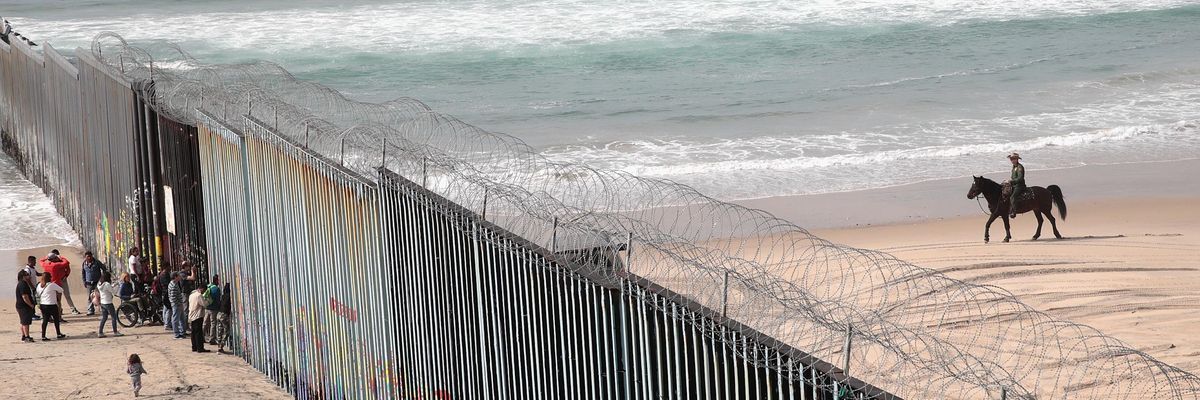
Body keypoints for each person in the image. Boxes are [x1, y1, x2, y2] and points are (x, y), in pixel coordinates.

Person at [41, 250, 79, 315]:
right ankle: (59, 311)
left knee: (66, 295)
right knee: (57, 298)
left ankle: (72, 309)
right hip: (56, 282)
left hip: (62, 280)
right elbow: (66, 262)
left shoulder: (50, 263)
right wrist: (61, 257)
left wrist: (66, 275)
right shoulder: (57, 264)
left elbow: (68, 269)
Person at [36, 271, 66, 341]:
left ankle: (43, 335)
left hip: (43, 304)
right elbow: (61, 290)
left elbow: (37, 293)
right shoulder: (51, 285)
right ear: (49, 278)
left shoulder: (39, 285)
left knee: (45, 320)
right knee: (56, 319)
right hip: (51, 304)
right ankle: (58, 334)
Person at [96, 271, 123, 337]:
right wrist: (118, 287)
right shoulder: (107, 284)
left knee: (104, 318)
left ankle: (100, 332)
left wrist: (115, 284)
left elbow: (109, 288)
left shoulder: (99, 284)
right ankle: (115, 332)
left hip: (103, 303)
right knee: (114, 317)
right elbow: (114, 292)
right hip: (108, 303)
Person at [16, 270, 37, 343]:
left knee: (23, 322)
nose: (29, 276)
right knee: (26, 322)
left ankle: (24, 335)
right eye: (27, 275)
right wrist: (30, 304)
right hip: (23, 306)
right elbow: (25, 296)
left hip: (20, 305)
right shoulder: (23, 284)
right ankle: (27, 336)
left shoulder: (23, 283)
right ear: (23, 276)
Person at [187, 286, 211, 352]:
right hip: (198, 315)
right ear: (202, 289)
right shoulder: (199, 295)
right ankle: (200, 348)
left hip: (192, 315)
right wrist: (208, 300)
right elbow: (204, 304)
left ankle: (194, 347)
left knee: (193, 332)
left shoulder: (191, 295)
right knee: (198, 333)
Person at [82, 251, 105, 316]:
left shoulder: (97, 262)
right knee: (90, 296)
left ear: (92, 256)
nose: (89, 258)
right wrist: (84, 281)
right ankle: (90, 310)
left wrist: (102, 278)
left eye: (90, 256)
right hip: (89, 282)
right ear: (85, 257)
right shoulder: (84, 263)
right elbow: (83, 273)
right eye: (87, 257)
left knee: (100, 295)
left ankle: (103, 309)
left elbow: (104, 269)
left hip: (97, 282)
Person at [203, 275, 222, 344]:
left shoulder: (208, 286)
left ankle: (201, 336)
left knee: (205, 323)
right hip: (214, 309)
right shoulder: (216, 289)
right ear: (217, 280)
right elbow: (218, 300)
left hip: (207, 307)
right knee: (213, 324)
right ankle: (212, 339)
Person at [21, 256, 41, 320]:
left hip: (34, 287)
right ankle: (32, 315)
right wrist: (32, 288)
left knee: (34, 301)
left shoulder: (33, 268)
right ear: (30, 261)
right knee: (32, 301)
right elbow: (27, 280)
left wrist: (44, 274)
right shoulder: (27, 270)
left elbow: (37, 274)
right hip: (30, 288)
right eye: (34, 261)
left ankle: (33, 313)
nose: (35, 262)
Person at [1007, 152, 1026, 219]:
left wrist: (1012, 181)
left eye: (1013, 159)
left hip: (1019, 185)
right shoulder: (1014, 167)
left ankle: (1013, 212)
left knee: (1013, 196)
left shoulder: (1020, 167)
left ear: (1017, 159)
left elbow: (1020, 178)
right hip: (1014, 184)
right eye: (1011, 159)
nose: (1012, 160)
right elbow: (1013, 177)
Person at [168, 272, 187, 339]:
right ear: (175, 277)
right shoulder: (173, 285)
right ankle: (177, 334)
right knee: (176, 319)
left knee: (182, 318)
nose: (180, 277)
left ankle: (182, 332)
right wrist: (178, 304)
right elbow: (173, 298)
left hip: (178, 304)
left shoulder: (174, 284)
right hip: (177, 305)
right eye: (178, 276)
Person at [217, 282, 232, 352]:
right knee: (227, 331)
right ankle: (221, 346)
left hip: (219, 314)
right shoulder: (229, 296)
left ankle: (219, 345)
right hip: (224, 315)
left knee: (220, 330)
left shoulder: (223, 296)